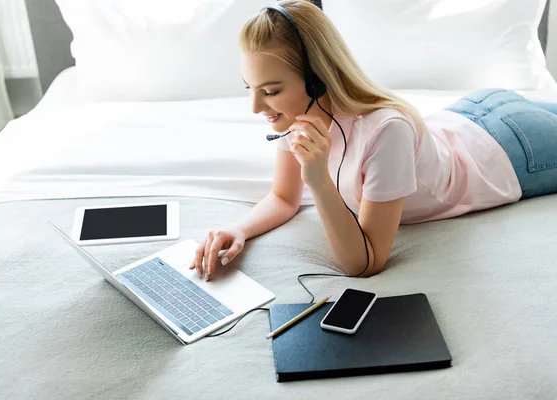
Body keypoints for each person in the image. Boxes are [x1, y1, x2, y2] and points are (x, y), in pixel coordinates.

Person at [190, 0, 557, 281]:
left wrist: (318, 180)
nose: (256, 107)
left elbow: (364, 263)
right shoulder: (298, 116)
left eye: (269, 91)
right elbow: (284, 198)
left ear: (318, 79)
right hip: (469, 116)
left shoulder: (386, 133)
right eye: (251, 89)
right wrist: (238, 228)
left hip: (514, 148)